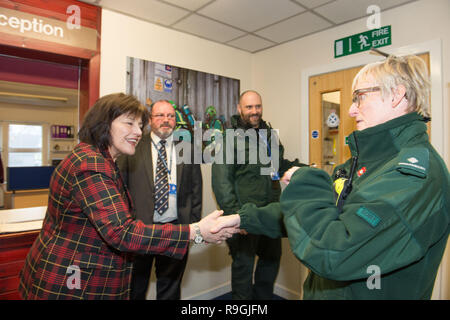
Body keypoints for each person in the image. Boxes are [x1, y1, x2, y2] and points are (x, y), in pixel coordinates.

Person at [214, 55, 450, 299]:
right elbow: (320, 212)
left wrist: (304, 179)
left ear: (397, 95)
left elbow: (333, 251)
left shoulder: (412, 176)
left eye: (360, 96)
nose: (351, 109)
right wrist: (241, 218)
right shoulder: (368, 161)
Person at [19, 93, 238, 300]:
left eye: (140, 125)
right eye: (129, 123)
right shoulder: (91, 165)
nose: (138, 132)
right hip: (73, 280)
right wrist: (196, 231)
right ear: (104, 123)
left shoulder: (101, 159)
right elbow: (122, 232)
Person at [211, 90, 306, 300]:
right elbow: (221, 183)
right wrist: (237, 217)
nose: (254, 112)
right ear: (239, 109)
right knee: (243, 268)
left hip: (271, 214)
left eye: (258, 107)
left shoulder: (269, 135)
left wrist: (303, 169)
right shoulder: (228, 140)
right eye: (249, 107)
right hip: (246, 216)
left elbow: (279, 165)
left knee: (271, 261)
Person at [116, 99, 202, 300]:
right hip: (140, 230)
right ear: (149, 119)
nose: (166, 120)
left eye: (170, 116)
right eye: (160, 115)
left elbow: (196, 191)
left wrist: (193, 226)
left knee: (170, 290)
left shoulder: (187, 149)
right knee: (135, 289)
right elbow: (121, 189)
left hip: (175, 230)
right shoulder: (134, 146)